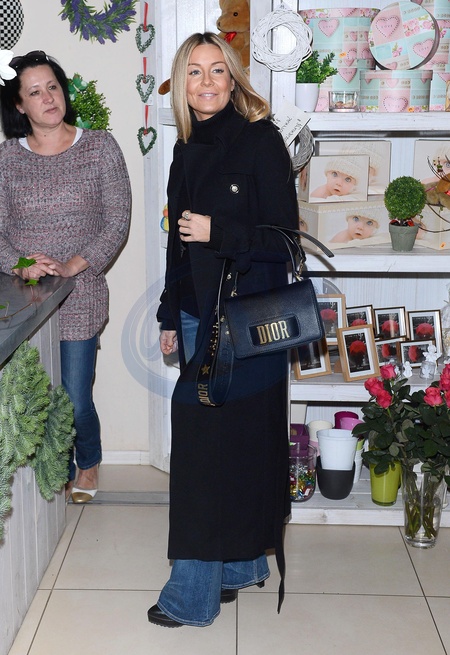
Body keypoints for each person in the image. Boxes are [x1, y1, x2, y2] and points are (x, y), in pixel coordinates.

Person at [150, 32, 299, 628]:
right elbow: (177, 243)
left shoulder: (261, 140)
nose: (206, 82)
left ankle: (192, 596)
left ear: (233, 78)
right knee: (227, 445)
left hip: (243, 320)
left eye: (217, 70)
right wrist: (170, 313)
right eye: (194, 71)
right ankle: (239, 566)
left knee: (204, 455)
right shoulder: (185, 147)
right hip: (196, 314)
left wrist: (221, 232)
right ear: (181, 84)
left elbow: (284, 242)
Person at [0, 51, 131, 503]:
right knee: (33, 396)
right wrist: (21, 263)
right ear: (20, 105)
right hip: (23, 300)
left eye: (53, 86)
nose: (48, 98)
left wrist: (73, 265)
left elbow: (117, 221)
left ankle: (88, 461)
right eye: (35, 92)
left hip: (81, 292)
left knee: (74, 396)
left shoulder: (100, 147)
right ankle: (52, 467)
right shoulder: (6, 158)